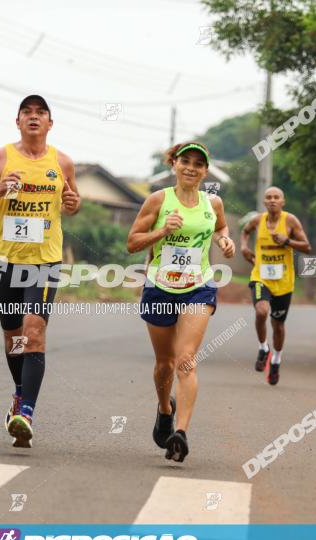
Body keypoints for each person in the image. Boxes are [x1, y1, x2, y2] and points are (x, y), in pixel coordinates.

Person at [0, 95, 80, 448]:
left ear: (49, 123)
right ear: (17, 122)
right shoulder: (1, 157)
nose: (33, 117)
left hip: (44, 261)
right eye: (26, 112)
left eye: (40, 112)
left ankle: (25, 412)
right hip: (4, 260)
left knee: (34, 331)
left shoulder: (62, 162)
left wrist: (74, 203)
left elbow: (72, 201)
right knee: (13, 339)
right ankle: (19, 394)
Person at [126, 142, 235, 463]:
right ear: (174, 165)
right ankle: (164, 409)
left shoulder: (212, 202)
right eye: (185, 161)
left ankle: (181, 433)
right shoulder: (158, 200)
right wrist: (162, 231)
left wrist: (224, 239)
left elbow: (221, 226)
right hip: (160, 286)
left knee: (186, 359)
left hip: (197, 287)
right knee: (165, 365)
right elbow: (132, 242)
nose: (190, 168)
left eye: (198, 164)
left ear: (205, 170)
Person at [241, 187, 311, 385]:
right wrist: (244, 247)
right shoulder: (257, 220)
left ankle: (276, 361)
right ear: (264, 202)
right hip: (260, 276)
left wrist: (287, 241)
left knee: (278, 325)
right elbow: (245, 232)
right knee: (261, 311)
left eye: (276, 197)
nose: (272, 200)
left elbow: (306, 247)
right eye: (268, 197)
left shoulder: (290, 221)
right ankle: (263, 347)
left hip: (283, 282)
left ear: (283, 201)